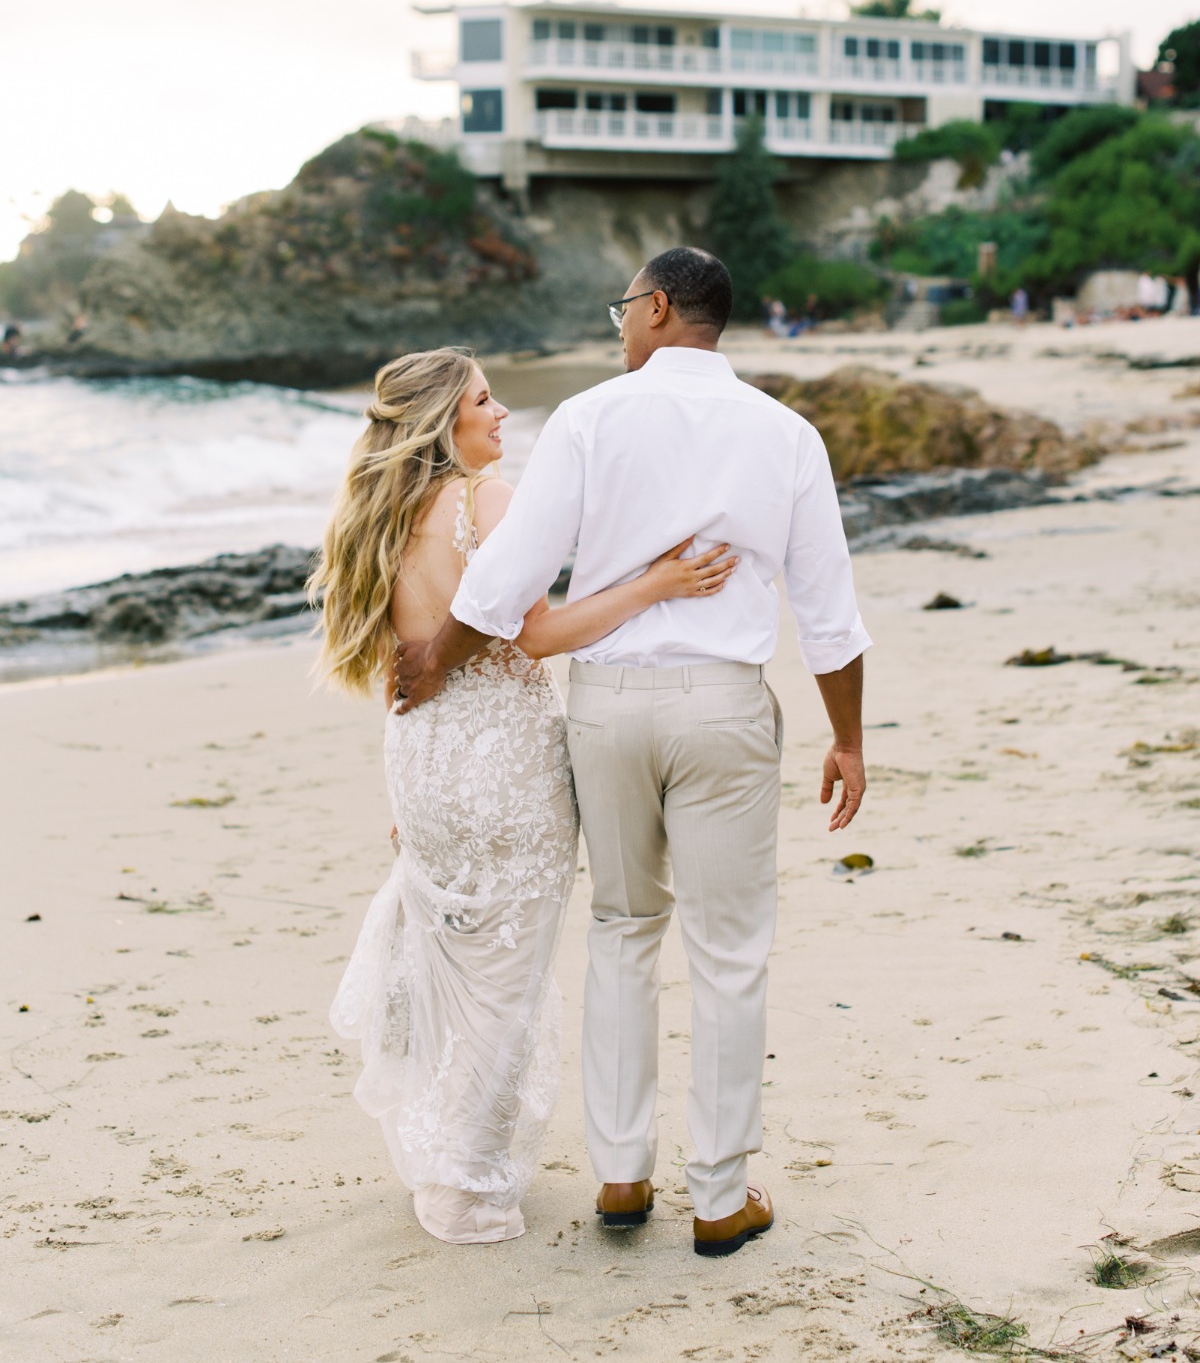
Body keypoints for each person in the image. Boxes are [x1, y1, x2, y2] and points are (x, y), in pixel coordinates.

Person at [394, 248, 871, 1260]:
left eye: (624, 308)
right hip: (722, 706)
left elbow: (503, 585)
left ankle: (621, 1175)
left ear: (657, 308)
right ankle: (720, 1195)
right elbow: (830, 615)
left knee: (622, 928)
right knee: (730, 952)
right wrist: (849, 737)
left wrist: (433, 662)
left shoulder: (589, 420)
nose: (619, 327)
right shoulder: (785, 434)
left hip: (606, 708)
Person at [310, 348, 736, 1246]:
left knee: (450, 964)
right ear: (442, 421)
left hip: (423, 759)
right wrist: (656, 583)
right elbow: (535, 634)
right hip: (505, 763)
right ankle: (463, 1183)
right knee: (504, 985)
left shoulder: (372, 518)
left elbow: (412, 654)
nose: (501, 413)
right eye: (482, 399)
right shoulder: (485, 502)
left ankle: (442, 1155)